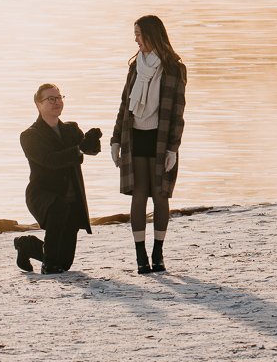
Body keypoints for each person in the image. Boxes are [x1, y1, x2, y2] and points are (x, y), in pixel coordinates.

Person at [111, 14, 186, 275]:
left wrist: (173, 148)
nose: (135, 39)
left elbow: (177, 111)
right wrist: (115, 139)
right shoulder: (135, 66)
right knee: (140, 193)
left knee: (161, 195)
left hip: (161, 138)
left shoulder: (174, 68)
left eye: (139, 34)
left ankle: (158, 251)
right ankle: (140, 253)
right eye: (135, 34)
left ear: (152, 35)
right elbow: (124, 104)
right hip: (135, 136)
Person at [14, 83, 101, 274]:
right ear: (38, 104)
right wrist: (79, 148)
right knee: (58, 209)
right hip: (44, 195)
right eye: (51, 99)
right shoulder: (29, 135)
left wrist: (93, 142)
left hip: (72, 197)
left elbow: (89, 151)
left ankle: (27, 245)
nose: (57, 102)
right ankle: (48, 265)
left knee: (64, 263)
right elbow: (50, 160)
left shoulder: (71, 129)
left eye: (59, 97)